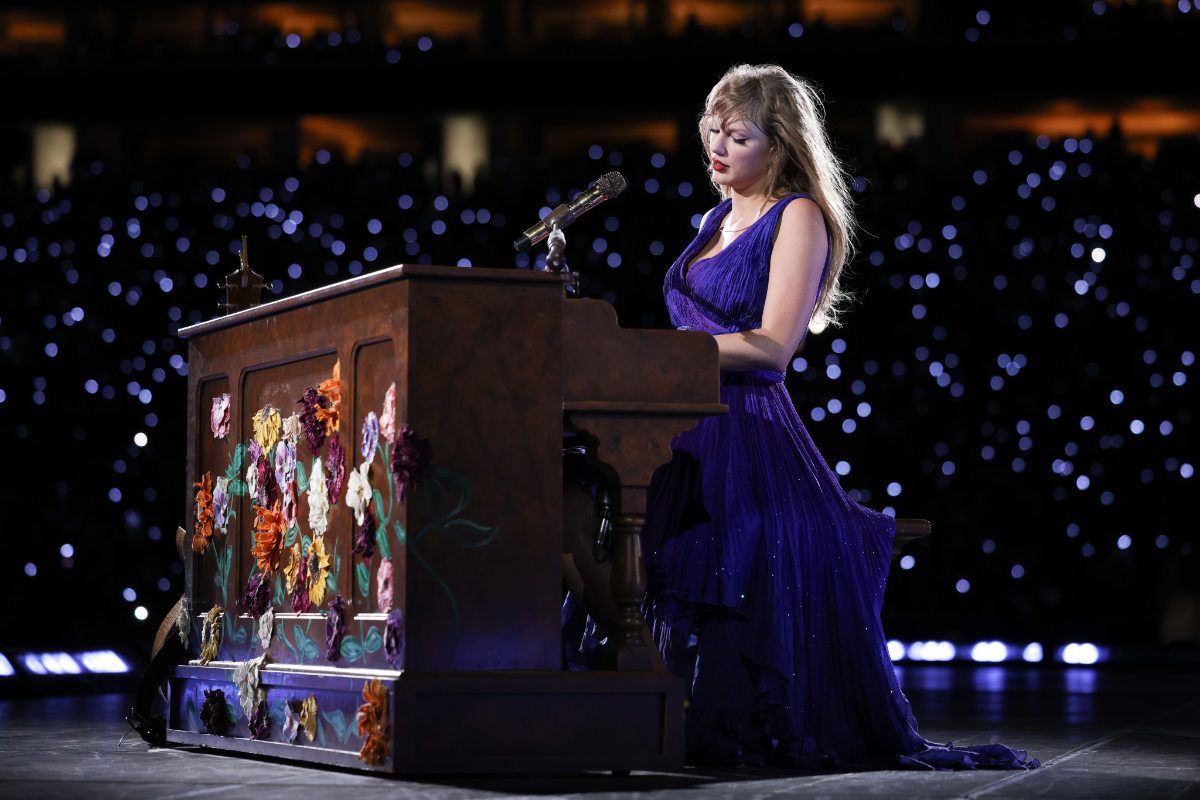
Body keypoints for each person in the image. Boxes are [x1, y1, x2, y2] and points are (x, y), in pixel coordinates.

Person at [637, 64, 1039, 769]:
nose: (717, 146)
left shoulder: (799, 216)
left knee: (737, 550)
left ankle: (729, 721)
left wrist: (669, 351)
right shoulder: (713, 220)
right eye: (711, 131)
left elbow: (770, 346)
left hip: (750, 429)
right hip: (678, 426)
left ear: (780, 144)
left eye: (736, 135)